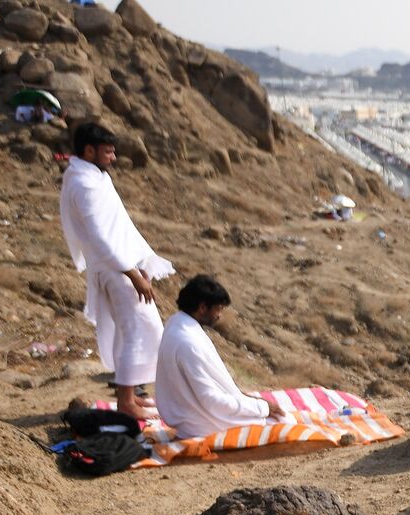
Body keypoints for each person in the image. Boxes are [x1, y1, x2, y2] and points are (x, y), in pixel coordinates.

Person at [60, 122, 175, 420]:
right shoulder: (84, 185)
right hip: (115, 270)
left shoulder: (95, 177)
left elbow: (119, 227)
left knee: (138, 329)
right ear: (89, 150)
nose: (113, 157)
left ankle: (131, 396)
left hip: (122, 267)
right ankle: (126, 402)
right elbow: (100, 237)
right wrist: (132, 274)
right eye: (108, 152)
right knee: (139, 329)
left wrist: (140, 264)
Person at [155, 275, 284, 439]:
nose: (219, 315)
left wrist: (246, 400)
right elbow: (211, 401)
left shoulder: (175, 323)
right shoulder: (189, 342)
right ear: (202, 308)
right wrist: (261, 407)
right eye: (218, 309)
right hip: (202, 426)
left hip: (190, 419)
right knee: (283, 420)